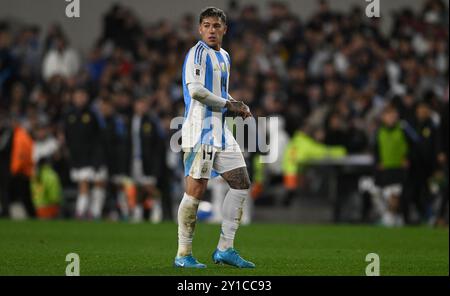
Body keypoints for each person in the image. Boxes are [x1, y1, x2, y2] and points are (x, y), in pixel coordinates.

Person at [174, 7, 255, 269]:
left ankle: (225, 249)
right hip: (200, 131)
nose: (211, 30)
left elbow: (219, 91)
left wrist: (236, 104)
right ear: (200, 29)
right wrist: (228, 106)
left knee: (241, 182)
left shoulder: (225, 56)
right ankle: (183, 254)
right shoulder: (197, 53)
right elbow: (196, 90)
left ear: (224, 29)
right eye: (206, 25)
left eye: (216, 26)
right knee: (196, 192)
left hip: (220, 130)